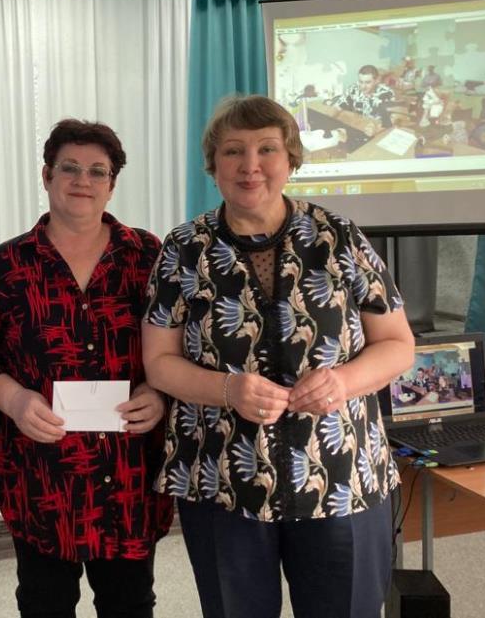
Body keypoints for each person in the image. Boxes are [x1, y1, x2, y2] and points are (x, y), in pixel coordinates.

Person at [142, 95, 415, 618]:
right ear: (213, 165)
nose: (251, 165)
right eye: (233, 151)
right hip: (223, 479)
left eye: (267, 149)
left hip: (341, 476)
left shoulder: (339, 237)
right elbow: (159, 362)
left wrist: (343, 382)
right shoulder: (183, 249)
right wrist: (228, 389)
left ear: (290, 160)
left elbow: (398, 344)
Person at [0, 120, 173, 618]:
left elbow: (181, 345)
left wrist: (159, 393)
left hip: (127, 468)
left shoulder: (149, 257)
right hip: (41, 472)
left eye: (97, 171)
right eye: (69, 168)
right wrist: (14, 399)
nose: (82, 180)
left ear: (112, 184)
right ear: (47, 175)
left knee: (130, 604)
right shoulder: (5, 266)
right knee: (43, 604)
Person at [334, 63, 396, 143]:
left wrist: (377, 129)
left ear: (376, 80)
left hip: (378, 133)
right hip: (357, 130)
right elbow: (339, 107)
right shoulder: (354, 88)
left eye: (367, 82)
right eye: (361, 82)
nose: (363, 86)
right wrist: (334, 123)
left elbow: (392, 119)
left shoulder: (387, 93)